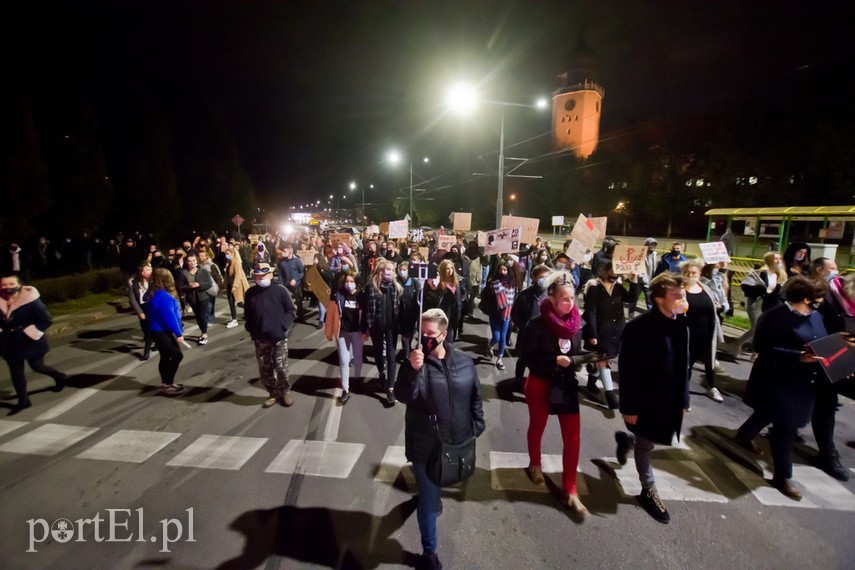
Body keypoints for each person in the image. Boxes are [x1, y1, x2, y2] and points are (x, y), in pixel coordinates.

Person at [394, 308, 485, 570]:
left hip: (455, 445)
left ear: (444, 335)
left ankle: (425, 497)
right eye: (421, 333)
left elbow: (475, 395)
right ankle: (429, 554)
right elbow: (404, 395)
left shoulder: (464, 362)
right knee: (431, 503)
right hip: (425, 447)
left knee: (436, 489)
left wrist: (477, 425)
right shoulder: (414, 362)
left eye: (430, 334)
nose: (424, 339)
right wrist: (412, 370)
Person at [735, 276, 829, 499]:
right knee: (785, 427)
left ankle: (745, 434)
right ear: (804, 299)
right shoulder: (774, 316)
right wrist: (797, 356)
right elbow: (761, 348)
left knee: (767, 413)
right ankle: (782, 476)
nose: (819, 305)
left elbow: (821, 338)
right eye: (816, 300)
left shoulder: (815, 316)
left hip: (804, 380)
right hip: (777, 380)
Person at [615, 272, 691, 524]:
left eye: (683, 294)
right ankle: (648, 490)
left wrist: (683, 398)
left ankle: (628, 441)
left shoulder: (681, 323)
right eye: (676, 295)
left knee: (651, 438)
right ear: (659, 299)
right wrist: (629, 405)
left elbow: (684, 364)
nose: (682, 298)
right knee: (647, 443)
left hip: (668, 399)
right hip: (645, 399)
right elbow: (627, 370)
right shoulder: (639, 327)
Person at [517, 270, 593, 515]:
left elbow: (577, 356)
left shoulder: (577, 325)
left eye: (572, 298)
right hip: (540, 382)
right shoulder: (536, 324)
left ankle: (570, 490)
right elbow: (526, 357)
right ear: (550, 298)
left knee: (573, 437)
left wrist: (590, 359)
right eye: (564, 298)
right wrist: (553, 361)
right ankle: (534, 464)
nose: (569, 303)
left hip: (565, 385)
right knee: (537, 425)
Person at [0, 273, 66, 414]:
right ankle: (24, 401)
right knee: (16, 372)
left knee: (37, 366)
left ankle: (59, 376)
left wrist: (29, 332)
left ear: (20, 285)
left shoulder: (31, 301)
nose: (7, 288)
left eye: (11, 284)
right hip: (9, 342)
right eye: (4, 285)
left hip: (30, 341)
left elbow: (46, 320)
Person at [582, 261, 635, 409]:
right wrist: (593, 334)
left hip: (616, 331)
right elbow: (591, 312)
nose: (614, 275)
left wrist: (634, 280)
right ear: (604, 271)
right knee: (603, 360)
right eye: (611, 272)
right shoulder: (595, 288)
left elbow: (631, 298)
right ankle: (611, 395)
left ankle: (591, 382)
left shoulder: (619, 288)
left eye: (617, 273)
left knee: (605, 359)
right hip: (600, 331)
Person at [244, 263, 297, 408]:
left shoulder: (280, 291)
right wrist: (251, 328)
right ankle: (273, 393)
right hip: (260, 338)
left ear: (271, 275)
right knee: (265, 368)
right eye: (258, 276)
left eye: (263, 275)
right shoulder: (250, 293)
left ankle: (285, 391)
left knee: (280, 366)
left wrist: (282, 326)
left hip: (278, 337)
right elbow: (248, 314)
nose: (261, 278)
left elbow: (291, 310)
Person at [725, 251, 786, 358]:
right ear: (769, 260)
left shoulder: (780, 275)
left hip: (769, 304)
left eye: (780, 259)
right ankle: (737, 344)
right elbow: (748, 286)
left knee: (764, 327)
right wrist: (763, 290)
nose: (779, 261)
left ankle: (756, 352)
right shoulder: (760, 273)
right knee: (756, 327)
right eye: (776, 258)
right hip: (755, 302)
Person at [680, 259, 724, 403]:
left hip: (707, 332)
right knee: (687, 362)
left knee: (710, 361)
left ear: (699, 274)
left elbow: (712, 306)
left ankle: (711, 387)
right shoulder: (679, 289)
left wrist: (719, 307)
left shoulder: (705, 288)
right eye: (687, 272)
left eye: (694, 272)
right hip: (687, 333)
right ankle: (683, 392)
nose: (690, 275)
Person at [325, 272, 367, 406]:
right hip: (342, 332)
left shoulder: (361, 296)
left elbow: (366, 314)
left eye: (351, 281)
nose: (349, 284)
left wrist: (365, 331)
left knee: (358, 356)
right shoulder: (339, 295)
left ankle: (357, 379)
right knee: (344, 360)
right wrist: (329, 331)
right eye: (347, 281)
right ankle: (345, 388)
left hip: (357, 332)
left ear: (356, 282)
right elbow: (331, 314)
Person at [144, 269, 187, 396]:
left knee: (165, 356)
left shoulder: (152, 294)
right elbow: (170, 316)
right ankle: (168, 384)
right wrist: (178, 333)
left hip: (155, 330)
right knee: (177, 355)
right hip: (161, 330)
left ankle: (166, 383)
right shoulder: (164, 297)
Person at [364, 259, 401, 406]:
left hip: (392, 327)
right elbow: (368, 308)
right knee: (379, 353)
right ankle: (381, 373)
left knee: (392, 357)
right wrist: (367, 326)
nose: (389, 273)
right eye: (387, 270)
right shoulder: (372, 287)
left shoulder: (396, 287)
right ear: (380, 271)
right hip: (376, 327)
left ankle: (390, 389)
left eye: (391, 270)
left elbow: (400, 307)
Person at [511, 264, 552, 387]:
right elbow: (515, 313)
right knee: (523, 359)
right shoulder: (524, 295)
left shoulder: (551, 295)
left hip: (545, 337)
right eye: (541, 277)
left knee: (540, 362)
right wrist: (524, 326)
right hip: (527, 335)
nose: (544, 280)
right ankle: (518, 381)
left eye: (546, 277)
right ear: (534, 278)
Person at [486, 260, 518, 371]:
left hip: (507, 314)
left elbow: (513, 300)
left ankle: (499, 359)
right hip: (495, 312)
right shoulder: (494, 282)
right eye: (501, 269)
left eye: (505, 269)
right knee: (496, 337)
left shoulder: (512, 284)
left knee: (503, 336)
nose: (502, 271)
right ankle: (490, 346)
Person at [178, 252, 214, 345]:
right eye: (189, 261)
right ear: (186, 262)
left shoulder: (203, 271)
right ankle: (203, 330)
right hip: (192, 297)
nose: (192, 262)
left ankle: (204, 334)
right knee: (198, 316)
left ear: (196, 261)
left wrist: (199, 284)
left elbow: (209, 283)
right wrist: (188, 287)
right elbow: (180, 286)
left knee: (202, 315)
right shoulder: (183, 273)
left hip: (203, 297)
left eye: (193, 260)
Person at [129, 262, 155, 360]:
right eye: (148, 270)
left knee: (151, 330)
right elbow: (133, 300)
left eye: (151, 269)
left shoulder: (154, 282)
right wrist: (139, 312)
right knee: (146, 330)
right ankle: (154, 342)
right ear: (142, 272)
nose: (150, 271)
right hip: (143, 308)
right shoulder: (135, 285)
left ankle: (146, 351)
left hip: (153, 308)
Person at [628, 238, 658, 317]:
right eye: (651, 244)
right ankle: (631, 314)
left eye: (654, 244)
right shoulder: (639, 253)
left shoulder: (654, 254)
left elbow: (653, 269)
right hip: (639, 280)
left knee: (649, 299)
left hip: (649, 281)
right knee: (634, 298)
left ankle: (651, 316)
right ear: (646, 245)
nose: (653, 246)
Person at [397, 260, 420, 358]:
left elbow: (418, 298)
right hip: (400, 313)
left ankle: (408, 350)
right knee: (405, 336)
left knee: (409, 335)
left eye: (404, 270)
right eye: (401, 269)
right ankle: (407, 355)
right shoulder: (397, 281)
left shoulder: (414, 282)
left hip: (411, 313)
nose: (402, 271)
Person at [277, 245, 307, 322]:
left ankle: (301, 316)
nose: (283, 253)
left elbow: (302, 272)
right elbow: (280, 274)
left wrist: (296, 279)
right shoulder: (282, 262)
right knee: (285, 301)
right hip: (286, 284)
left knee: (298, 300)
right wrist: (281, 283)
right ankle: (288, 316)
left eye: (285, 251)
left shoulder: (297, 261)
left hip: (296, 284)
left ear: (290, 252)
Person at [224, 245, 250, 328]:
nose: (226, 255)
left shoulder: (237, 261)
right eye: (226, 254)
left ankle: (251, 311)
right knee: (231, 303)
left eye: (228, 253)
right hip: (229, 285)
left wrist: (234, 286)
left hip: (236, 285)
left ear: (232, 253)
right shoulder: (228, 262)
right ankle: (234, 320)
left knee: (239, 303)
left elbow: (238, 274)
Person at [437, 260, 462, 343]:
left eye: (451, 268)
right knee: (444, 340)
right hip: (443, 315)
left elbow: (463, 292)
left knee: (450, 340)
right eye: (447, 269)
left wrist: (461, 301)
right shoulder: (439, 283)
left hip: (454, 314)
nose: (450, 270)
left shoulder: (456, 282)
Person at [197, 248, 224, 325]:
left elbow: (218, 276)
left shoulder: (212, 265)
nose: (200, 257)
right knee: (204, 304)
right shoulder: (198, 266)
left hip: (212, 287)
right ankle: (208, 318)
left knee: (210, 304)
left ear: (206, 256)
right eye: (199, 256)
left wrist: (220, 286)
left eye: (202, 256)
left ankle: (210, 319)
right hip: (202, 287)